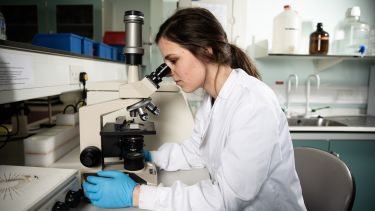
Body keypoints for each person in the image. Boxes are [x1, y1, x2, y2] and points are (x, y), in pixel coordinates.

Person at [83, 7, 307, 210]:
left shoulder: (253, 104)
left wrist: (136, 195)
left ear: (206, 51)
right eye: (166, 64)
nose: (169, 71)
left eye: (174, 60)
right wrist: (151, 156)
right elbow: (196, 151)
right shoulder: (212, 98)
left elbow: (225, 199)